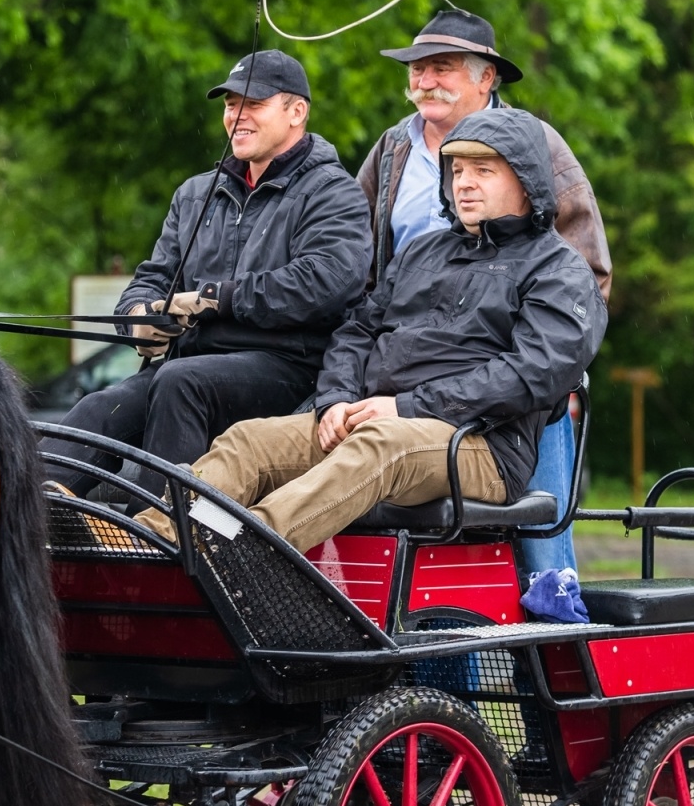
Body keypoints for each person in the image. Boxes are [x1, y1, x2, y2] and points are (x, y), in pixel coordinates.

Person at [133, 107, 605, 552]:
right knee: (248, 441)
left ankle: (248, 551)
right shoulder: (424, 252)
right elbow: (357, 328)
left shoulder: (559, 270)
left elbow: (531, 373)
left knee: (380, 446)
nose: (464, 184)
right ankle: (150, 541)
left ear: (525, 183)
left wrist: (405, 408)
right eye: (457, 171)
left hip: (481, 445)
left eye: (484, 171)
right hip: (371, 420)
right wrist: (335, 398)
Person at [42, 49, 372, 502]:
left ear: (297, 112)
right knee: (101, 406)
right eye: (229, 104)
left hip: (290, 369)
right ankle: (38, 509)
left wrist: (216, 298)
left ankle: (152, 535)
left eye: (253, 104)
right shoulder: (197, 192)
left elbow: (326, 282)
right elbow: (153, 277)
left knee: (180, 383)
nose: (237, 116)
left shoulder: (336, 193)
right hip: (190, 364)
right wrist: (139, 318)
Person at [357, 8, 612, 577]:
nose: (425, 81)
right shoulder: (392, 149)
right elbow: (362, 268)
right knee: (416, 556)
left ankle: (549, 655)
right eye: (417, 70)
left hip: (515, 394)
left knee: (542, 556)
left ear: (486, 78)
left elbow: (587, 273)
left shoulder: (538, 144)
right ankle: (432, 656)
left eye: (442, 68)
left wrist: (540, 376)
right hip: (405, 389)